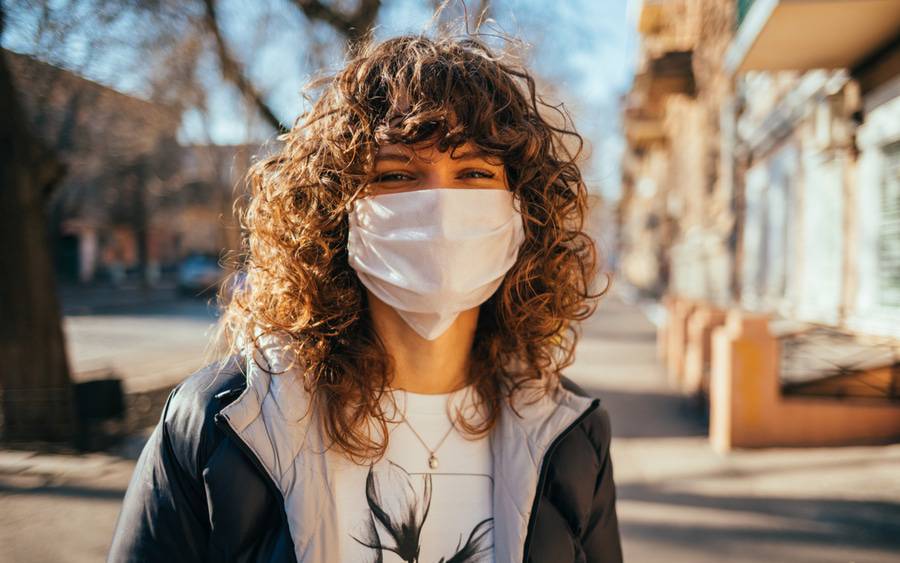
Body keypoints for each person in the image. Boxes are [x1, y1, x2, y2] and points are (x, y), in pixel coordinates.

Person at [107, 31, 622, 563]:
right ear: (337, 212)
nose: (440, 205)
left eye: (474, 172)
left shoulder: (571, 434)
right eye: (397, 174)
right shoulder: (221, 425)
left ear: (522, 212)